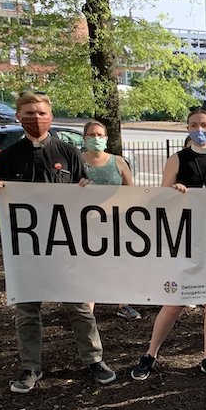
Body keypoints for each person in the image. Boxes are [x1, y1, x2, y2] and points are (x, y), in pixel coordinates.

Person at [0, 91, 115, 393]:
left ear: (50, 116)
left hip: (64, 246)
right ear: (18, 116)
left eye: (40, 113)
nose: (35, 119)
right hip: (26, 250)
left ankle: (94, 360)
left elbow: (83, 198)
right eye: (28, 113)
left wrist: (86, 190)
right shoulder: (8, 157)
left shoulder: (68, 153)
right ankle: (30, 367)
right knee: (27, 311)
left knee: (79, 307)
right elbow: (2, 204)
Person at [130, 107, 206, 381]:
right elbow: (161, 198)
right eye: (193, 124)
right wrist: (174, 193)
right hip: (184, 239)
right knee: (175, 302)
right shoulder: (177, 159)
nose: (199, 129)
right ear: (187, 128)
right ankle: (150, 354)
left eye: (204, 124)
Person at [79, 120, 142, 320]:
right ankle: (88, 308)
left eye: (100, 135)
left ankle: (123, 304)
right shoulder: (77, 161)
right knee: (90, 264)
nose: (96, 139)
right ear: (84, 138)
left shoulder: (119, 162)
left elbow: (131, 192)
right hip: (86, 222)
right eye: (91, 135)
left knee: (118, 262)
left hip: (116, 221)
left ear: (106, 138)